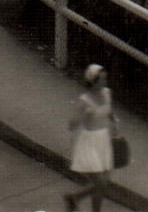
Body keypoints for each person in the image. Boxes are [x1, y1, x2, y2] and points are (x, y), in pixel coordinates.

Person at [64, 63, 119, 211]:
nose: (105, 82)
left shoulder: (107, 93)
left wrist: (115, 125)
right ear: (93, 82)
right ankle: (75, 198)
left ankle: (76, 198)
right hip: (89, 143)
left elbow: (109, 112)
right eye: (101, 80)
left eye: (105, 79)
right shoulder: (84, 100)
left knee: (103, 183)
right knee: (100, 182)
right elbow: (72, 123)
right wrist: (81, 117)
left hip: (104, 140)